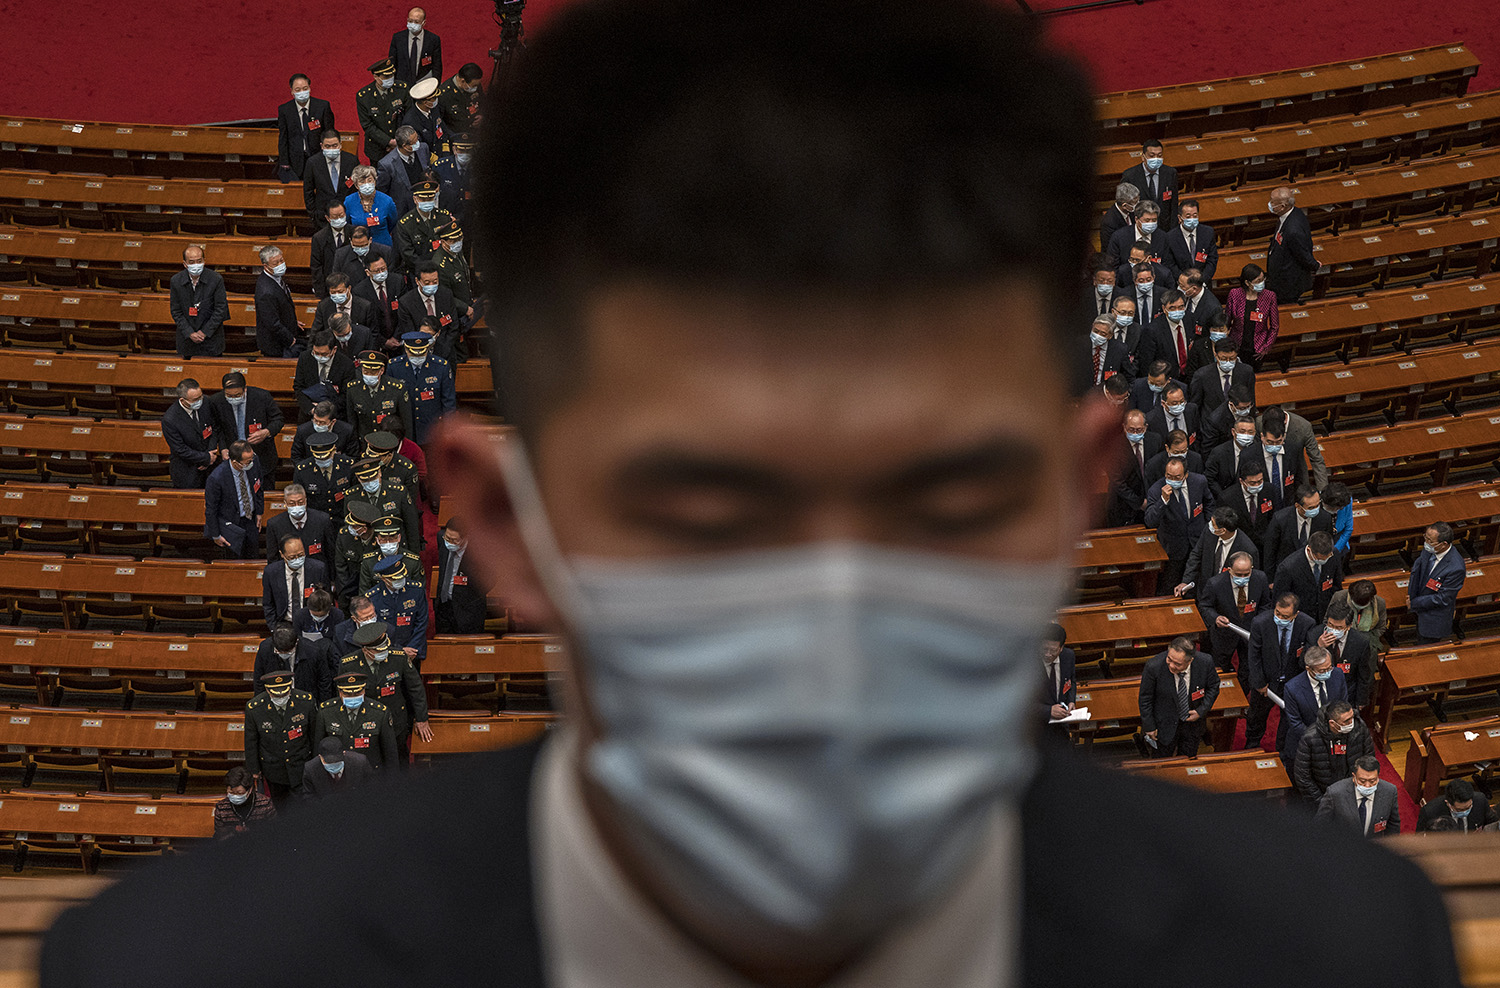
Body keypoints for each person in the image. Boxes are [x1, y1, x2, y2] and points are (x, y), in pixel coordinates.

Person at [42, 3, 1462, 986]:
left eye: (936, 495)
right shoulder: (186, 972)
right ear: (503, 523)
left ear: (1076, 492)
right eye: (707, 504)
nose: (827, 600)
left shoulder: (1335, 957)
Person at [339, 621, 432, 765]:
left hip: (395, 721)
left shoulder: (399, 657)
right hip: (366, 724)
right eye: (378, 650)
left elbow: (416, 688)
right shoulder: (349, 664)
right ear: (365, 650)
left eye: (385, 648)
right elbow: (342, 696)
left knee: (399, 763)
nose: (384, 652)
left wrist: (421, 719)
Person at [1245, 592, 1316, 752]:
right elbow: (1254, 656)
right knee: (1256, 717)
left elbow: (1306, 654)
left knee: (1288, 721)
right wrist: (1259, 683)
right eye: (1277, 613)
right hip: (1266, 681)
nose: (1280, 618)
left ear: (1295, 614)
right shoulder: (1260, 622)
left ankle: (1282, 752)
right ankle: (1251, 747)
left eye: (1285, 616)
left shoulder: (1307, 623)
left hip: (1292, 682)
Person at [243, 670, 318, 809]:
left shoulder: (305, 701)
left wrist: (315, 763)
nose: (281, 696)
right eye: (276, 693)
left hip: (301, 765)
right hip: (274, 769)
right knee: (280, 809)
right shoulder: (255, 708)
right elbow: (251, 741)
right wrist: (254, 769)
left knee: (304, 808)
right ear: (267, 690)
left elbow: (314, 735)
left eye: (284, 692)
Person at [1143, 455, 1213, 594]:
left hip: (1197, 542)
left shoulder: (1199, 481)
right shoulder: (1156, 490)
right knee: (1170, 587)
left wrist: (1207, 525)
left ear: (1185, 475)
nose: (1173, 480)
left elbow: (1209, 502)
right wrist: (1163, 500)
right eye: (1169, 476)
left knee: (1197, 584)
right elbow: (1150, 521)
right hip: (1173, 548)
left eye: (1177, 477)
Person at [1139, 636, 1219, 757]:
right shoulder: (1153, 666)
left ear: (1190, 661)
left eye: (1177, 664)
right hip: (1164, 726)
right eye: (1169, 659)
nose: (1171, 666)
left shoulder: (1205, 662)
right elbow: (1145, 698)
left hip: (1193, 726)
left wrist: (1200, 711)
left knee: (1187, 762)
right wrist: (1149, 726)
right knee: (1162, 764)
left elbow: (1213, 687)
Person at [1197, 551, 1270, 678]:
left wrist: (1258, 623)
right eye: (1238, 574)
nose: (1242, 578)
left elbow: (1265, 605)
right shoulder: (1215, 583)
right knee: (1220, 671)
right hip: (1224, 635)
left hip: (1249, 633)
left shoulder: (1260, 578)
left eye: (1246, 574)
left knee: (1247, 671)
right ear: (1229, 570)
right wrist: (1216, 618)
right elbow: (1205, 606)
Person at [207, 370, 284, 485]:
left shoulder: (262, 397)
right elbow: (217, 427)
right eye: (229, 395)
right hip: (232, 458)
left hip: (262, 457)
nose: (233, 398)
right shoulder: (216, 401)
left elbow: (278, 419)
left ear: (245, 389)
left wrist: (266, 432)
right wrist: (223, 448)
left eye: (237, 395)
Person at [1292, 700, 1374, 803]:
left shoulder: (1360, 728)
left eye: (1352, 717)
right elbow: (1303, 776)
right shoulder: (1310, 738)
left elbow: (1369, 759)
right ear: (1332, 723)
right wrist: (1322, 802)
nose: (1351, 723)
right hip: (1324, 796)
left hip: (1354, 793)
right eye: (1346, 721)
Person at [314, 671, 398, 772]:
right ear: (339, 692)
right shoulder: (326, 712)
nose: (353, 697)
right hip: (338, 775)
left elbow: (390, 754)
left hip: (370, 774)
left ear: (364, 691)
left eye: (357, 693)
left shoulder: (380, 713)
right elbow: (318, 750)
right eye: (347, 694)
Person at [1282, 644, 1348, 766]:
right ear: (1309, 669)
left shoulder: (1337, 674)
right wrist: (1319, 740)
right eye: (1322, 671)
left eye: (1329, 668)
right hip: (1305, 744)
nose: (1328, 672)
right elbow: (1295, 722)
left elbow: (1343, 705)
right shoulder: (1292, 688)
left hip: (1335, 740)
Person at [387, 332, 456, 445]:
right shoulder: (394, 367)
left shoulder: (441, 367)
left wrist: (448, 431)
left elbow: (449, 403)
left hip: (432, 430)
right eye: (413, 354)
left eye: (421, 354)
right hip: (405, 431)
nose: (417, 358)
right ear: (406, 349)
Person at [1310, 598, 1376, 711]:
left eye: (1339, 627)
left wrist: (1361, 700)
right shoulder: (1315, 634)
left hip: (1346, 694)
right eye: (1330, 625)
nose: (1334, 630)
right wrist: (1319, 647)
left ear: (1349, 626)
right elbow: (1303, 664)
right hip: (1319, 692)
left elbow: (1364, 674)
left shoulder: (1361, 642)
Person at [1178, 507, 1258, 598]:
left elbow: (1251, 581)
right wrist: (1186, 581)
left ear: (1223, 530)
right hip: (1204, 590)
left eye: (1213, 523)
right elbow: (1196, 555)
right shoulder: (1209, 532)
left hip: (1227, 596)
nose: (1210, 525)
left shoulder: (1248, 549)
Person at [366, 555, 429, 668]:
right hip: (387, 651)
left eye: (401, 576)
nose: (400, 580)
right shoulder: (373, 597)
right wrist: (399, 651)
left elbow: (422, 622)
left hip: (413, 650)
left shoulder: (416, 590)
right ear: (384, 579)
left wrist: (411, 649)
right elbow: (375, 629)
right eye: (395, 578)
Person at [203, 440, 263, 559]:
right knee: (235, 561)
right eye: (247, 461)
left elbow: (259, 487)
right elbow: (211, 509)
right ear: (235, 462)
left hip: (250, 519)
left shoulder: (254, 462)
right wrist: (216, 535)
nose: (251, 463)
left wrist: (260, 512)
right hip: (232, 524)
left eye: (252, 458)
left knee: (253, 557)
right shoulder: (216, 478)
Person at [1410, 521, 1466, 644]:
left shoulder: (1456, 567)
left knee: (1426, 649)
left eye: (1430, 541)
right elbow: (1418, 570)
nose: (1426, 543)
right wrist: (1411, 594)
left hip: (1433, 618)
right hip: (1418, 606)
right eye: (1425, 537)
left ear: (1443, 544)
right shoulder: (1430, 549)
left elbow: (1443, 598)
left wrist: (1414, 602)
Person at [167, 245, 229, 357]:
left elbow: (220, 309)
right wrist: (189, 332)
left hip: (211, 339)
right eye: (191, 262)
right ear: (185, 264)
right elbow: (176, 311)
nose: (196, 265)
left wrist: (204, 332)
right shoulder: (176, 281)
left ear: (204, 261)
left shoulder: (216, 279)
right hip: (187, 340)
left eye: (199, 261)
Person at [1316, 756, 1400, 838]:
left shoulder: (1389, 792)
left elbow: (1393, 825)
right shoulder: (1335, 793)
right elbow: (1320, 825)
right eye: (1362, 781)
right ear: (1354, 777)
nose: (1367, 785)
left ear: (1378, 777)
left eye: (1372, 781)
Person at [275, 73, 335, 184]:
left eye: (305, 88)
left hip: (318, 158)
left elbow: (329, 133)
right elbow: (283, 138)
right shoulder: (284, 110)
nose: (302, 92)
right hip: (295, 160)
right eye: (297, 90)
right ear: (292, 92)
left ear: (310, 88)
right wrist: (284, 162)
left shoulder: (322, 106)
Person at [1266, 186, 1320, 305]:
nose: (1269, 203)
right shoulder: (1292, 213)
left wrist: (1314, 265)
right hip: (1281, 275)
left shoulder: (1293, 230)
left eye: (1272, 201)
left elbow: (1302, 253)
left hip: (1288, 283)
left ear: (1282, 206)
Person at [1107, 409, 1162, 527]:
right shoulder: (1114, 447)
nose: (1135, 434)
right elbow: (1117, 482)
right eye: (1131, 430)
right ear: (1124, 427)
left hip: (1150, 503)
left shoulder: (1155, 440)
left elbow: (1159, 470)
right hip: (1123, 505)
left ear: (1145, 427)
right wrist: (1139, 503)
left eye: (1139, 430)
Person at [1274, 531, 1342, 625]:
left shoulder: (1333, 555)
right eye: (1321, 558)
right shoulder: (1288, 568)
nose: (1325, 560)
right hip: (1301, 619)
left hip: (1325, 615)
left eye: (1328, 557)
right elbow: (1280, 599)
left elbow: (1336, 585)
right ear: (1309, 550)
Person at [398, 261, 462, 361]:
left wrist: (443, 350)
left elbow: (453, 326)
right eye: (427, 283)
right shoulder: (406, 302)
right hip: (417, 354)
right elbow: (409, 332)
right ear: (417, 281)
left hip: (446, 352)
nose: (431, 285)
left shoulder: (446, 294)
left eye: (435, 281)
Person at [1263, 483, 1333, 573]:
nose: (1316, 510)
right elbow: (1270, 551)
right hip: (1286, 570)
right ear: (1297, 506)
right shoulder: (1280, 519)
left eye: (1317, 505)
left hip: (1312, 570)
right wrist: (1271, 579)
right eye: (1311, 507)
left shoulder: (1324, 518)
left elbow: (1328, 545)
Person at [162, 378, 218, 489]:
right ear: (183, 400)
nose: (200, 401)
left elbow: (214, 428)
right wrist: (205, 458)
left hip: (211, 465)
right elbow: (180, 449)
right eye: (196, 399)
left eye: (201, 396)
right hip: (187, 471)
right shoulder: (170, 419)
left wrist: (210, 454)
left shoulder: (206, 402)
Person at [262, 536, 328, 630]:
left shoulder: (318, 569)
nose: (297, 559)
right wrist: (274, 628)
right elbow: (268, 604)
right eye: (292, 557)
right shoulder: (271, 572)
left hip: (311, 622)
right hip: (283, 623)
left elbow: (325, 599)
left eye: (301, 555)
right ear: (282, 554)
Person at [434, 518, 488, 633]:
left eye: (454, 540)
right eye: (447, 538)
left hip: (468, 611)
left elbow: (490, 580)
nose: (449, 542)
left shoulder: (479, 551)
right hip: (444, 607)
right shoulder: (441, 538)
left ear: (465, 537)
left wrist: (472, 597)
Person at [346, 350, 415, 439]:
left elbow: (406, 422)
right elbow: (352, 422)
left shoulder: (396, 389)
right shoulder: (353, 389)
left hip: (390, 441)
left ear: (381, 370)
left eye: (373, 372)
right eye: (366, 372)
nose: (369, 375)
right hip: (366, 442)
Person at [265, 484, 337, 568]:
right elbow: (273, 559)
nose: (297, 506)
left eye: (300, 502)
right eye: (292, 503)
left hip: (317, 573)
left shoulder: (322, 520)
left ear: (306, 501)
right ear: (285, 503)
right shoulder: (274, 524)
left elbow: (330, 553)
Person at [292, 331, 357, 423]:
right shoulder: (305, 358)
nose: (319, 357)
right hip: (308, 415)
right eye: (316, 353)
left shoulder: (346, 364)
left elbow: (346, 395)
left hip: (336, 417)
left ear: (334, 350)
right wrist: (312, 409)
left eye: (324, 354)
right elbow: (298, 387)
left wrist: (324, 410)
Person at [1226, 262, 1280, 370]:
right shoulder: (1234, 294)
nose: (1262, 283)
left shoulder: (1269, 296)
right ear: (1247, 283)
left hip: (1257, 348)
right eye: (1258, 281)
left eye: (1262, 279)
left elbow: (1275, 326)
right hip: (1236, 345)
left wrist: (1266, 347)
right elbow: (1227, 319)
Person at [395, 180, 455, 277]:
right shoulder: (406, 224)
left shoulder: (443, 217)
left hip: (443, 269)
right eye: (423, 200)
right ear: (415, 199)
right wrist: (427, 270)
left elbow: (451, 243)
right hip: (419, 272)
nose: (427, 202)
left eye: (430, 199)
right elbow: (408, 254)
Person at [356, 57, 410, 163]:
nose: (391, 78)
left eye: (392, 75)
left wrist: (399, 141)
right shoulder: (364, 96)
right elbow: (367, 125)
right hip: (377, 148)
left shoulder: (402, 89)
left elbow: (409, 116)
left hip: (402, 145)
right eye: (386, 76)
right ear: (376, 76)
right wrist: (389, 142)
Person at [295, 432, 357, 524]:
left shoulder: (347, 466)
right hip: (316, 522)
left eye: (326, 456)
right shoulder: (303, 470)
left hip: (342, 521)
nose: (322, 460)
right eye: (318, 457)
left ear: (334, 450)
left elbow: (355, 496)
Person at [253, 246, 301, 358]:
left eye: (281, 260)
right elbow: (272, 323)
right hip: (276, 344)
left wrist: (292, 321)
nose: (280, 265)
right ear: (266, 266)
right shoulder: (266, 290)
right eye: (276, 263)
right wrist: (290, 339)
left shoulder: (276, 277)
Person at [1188, 336, 1255, 415]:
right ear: (1216, 356)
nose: (1228, 362)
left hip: (1239, 421)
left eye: (1232, 358)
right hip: (1210, 423)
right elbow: (1195, 405)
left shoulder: (1246, 372)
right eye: (1223, 358)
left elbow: (1251, 400)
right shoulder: (1202, 375)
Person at [303, 129, 359, 224]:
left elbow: (357, 187)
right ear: (322, 146)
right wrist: (313, 214)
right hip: (323, 216)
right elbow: (308, 191)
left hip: (348, 214)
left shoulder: (352, 161)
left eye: (335, 145)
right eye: (327, 146)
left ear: (340, 144)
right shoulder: (313, 163)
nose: (331, 149)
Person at [1121, 140, 1179, 227]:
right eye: (1152, 156)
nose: (1156, 159)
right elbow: (1125, 207)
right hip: (1139, 227)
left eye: (1159, 156)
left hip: (1164, 227)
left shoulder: (1170, 173)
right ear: (1143, 157)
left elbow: (1174, 205)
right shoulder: (1130, 176)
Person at [1255, 408, 1303, 514]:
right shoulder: (1250, 455)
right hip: (1262, 510)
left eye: (1278, 442)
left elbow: (1299, 478)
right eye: (1269, 442)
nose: (1274, 446)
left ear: (1284, 437)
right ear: (1262, 436)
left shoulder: (1293, 450)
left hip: (1287, 506)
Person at [377, 126, 432, 218]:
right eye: (414, 142)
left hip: (424, 206)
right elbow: (382, 193)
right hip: (402, 212)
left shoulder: (423, 148)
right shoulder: (386, 165)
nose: (417, 143)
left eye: (417, 139)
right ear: (405, 146)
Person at [1105, 203, 1166, 282]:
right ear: (1137, 219)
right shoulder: (1119, 237)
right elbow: (1113, 267)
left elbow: (1166, 265)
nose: (1151, 223)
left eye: (1154, 220)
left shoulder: (1162, 237)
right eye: (1147, 220)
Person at [354, 249, 402, 347]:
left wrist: (396, 337)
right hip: (375, 342)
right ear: (368, 272)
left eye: (383, 268)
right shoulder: (359, 291)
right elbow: (364, 324)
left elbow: (404, 312)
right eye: (377, 271)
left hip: (398, 339)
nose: (381, 272)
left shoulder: (397, 281)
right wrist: (384, 342)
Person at [1204, 416, 1258, 502]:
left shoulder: (1257, 451)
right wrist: (1223, 496)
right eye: (1242, 431)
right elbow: (1210, 478)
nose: (1246, 435)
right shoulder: (1219, 452)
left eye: (1250, 432)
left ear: (1255, 433)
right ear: (1233, 432)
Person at [299, 736, 373, 799]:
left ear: (344, 753)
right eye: (328, 762)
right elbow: (309, 797)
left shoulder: (360, 762)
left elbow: (371, 789)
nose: (333, 764)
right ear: (320, 757)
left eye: (337, 761)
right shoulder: (311, 769)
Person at [213, 767, 276, 838]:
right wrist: (232, 830)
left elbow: (274, 831)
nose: (235, 795)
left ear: (250, 789)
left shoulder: (265, 804)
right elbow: (219, 835)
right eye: (231, 792)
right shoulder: (222, 807)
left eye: (239, 793)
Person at [333, 505, 377, 608]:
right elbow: (341, 567)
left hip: (374, 588)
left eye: (354, 526)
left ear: (364, 529)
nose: (350, 529)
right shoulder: (344, 536)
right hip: (350, 588)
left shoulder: (379, 539)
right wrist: (347, 591)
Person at [1332, 579, 1389, 658]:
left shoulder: (1379, 603)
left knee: (1369, 654)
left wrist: (1362, 639)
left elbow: (1381, 628)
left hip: (1368, 638)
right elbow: (1328, 621)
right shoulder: (1339, 597)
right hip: (1341, 636)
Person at [1162, 200, 1216, 283]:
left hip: (1203, 283)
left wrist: (1201, 280)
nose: (1192, 219)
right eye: (1188, 216)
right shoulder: (1170, 237)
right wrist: (1185, 280)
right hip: (1181, 284)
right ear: (1180, 218)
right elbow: (1169, 264)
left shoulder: (1208, 232)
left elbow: (1212, 259)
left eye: (1195, 215)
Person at [345, 164, 398, 247]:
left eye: (369, 180)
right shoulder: (349, 201)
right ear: (356, 185)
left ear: (375, 182)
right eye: (362, 181)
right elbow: (347, 224)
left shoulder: (387, 201)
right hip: (359, 246)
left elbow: (392, 223)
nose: (366, 184)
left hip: (383, 246)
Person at [312, 273, 377, 340]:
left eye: (340, 291)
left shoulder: (365, 306)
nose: (337, 295)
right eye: (333, 292)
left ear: (349, 288)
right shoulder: (323, 306)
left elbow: (373, 334)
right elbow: (316, 332)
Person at [290, 399, 358, 463]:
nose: (318, 424)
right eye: (315, 420)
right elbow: (296, 456)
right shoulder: (303, 430)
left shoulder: (347, 430)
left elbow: (353, 457)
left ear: (333, 422)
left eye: (322, 422)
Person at [1417, 779, 1497, 833]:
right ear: (1448, 803)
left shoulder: (1480, 800)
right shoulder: (1430, 812)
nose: (1465, 812)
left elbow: (1492, 821)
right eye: (1459, 810)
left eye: (1468, 807)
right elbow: (1420, 838)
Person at [334, 224, 396, 293]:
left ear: (370, 240)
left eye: (364, 245)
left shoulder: (385, 251)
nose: (360, 249)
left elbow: (391, 276)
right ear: (350, 241)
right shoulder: (341, 255)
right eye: (356, 246)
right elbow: (337, 278)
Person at [390, 6, 442, 84]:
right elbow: (392, 62)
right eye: (410, 21)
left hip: (423, 83)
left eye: (416, 22)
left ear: (423, 23)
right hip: (401, 83)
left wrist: (435, 85)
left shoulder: (433, 39)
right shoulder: (398, 38)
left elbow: (437, 65)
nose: (412, 24)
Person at [310, 201, 350, 299]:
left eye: (341, 215)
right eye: (335, 217)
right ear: (328, 218)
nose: (339, 219)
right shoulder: (319, 238)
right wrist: (321, 293)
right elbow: (316, 267)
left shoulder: (354, 233)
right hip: (330, 289)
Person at [1039, 623, 1077, 724]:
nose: (1047, 654)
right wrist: (1048, 711)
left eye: (1053, 650)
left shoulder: (1068, 656)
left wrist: (1071, 701)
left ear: (1061, 648)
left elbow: (1071, 681)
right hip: (1036, 727)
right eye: (1044, 649)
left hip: (1062, 724)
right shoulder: (1028, 663)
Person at [434, 133, 475, 225]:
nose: (465, 154)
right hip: (448, 218)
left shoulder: (478, 167)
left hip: (471, 217)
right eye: (461, 150)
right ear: (454, 149)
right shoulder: (441, 167)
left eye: (468, 150)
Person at [402, 77, 448, 156]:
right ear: (425, 102)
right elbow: (418, 147)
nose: (436, 100)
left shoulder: (434, 109)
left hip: (440, 150)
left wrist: (446, 149)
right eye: (433, 98)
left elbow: (442, 127)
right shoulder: (410, 121)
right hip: (426, 157)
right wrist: (434, 160)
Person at [1143, 381, 1197, 448]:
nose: (1179, 405)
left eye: (1182, 401)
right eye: (1174, 403)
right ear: (1163, 404)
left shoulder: (1191, 410)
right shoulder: (1152, 419)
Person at [437, 64, 484, 137]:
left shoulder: (475, 84)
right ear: (463, 81)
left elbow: (482, 101)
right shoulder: (444, 94)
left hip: (475, 133)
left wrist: (481, 115)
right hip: (455, 135)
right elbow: (440, 120)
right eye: (474, 86)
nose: (476, 88)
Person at [1099, 181, 1139, 263]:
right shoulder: (1109, 222)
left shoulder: (1132, 212)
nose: (1138, 204)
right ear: (1124, 205)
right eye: (1135, 202)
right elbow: (1110, 251)